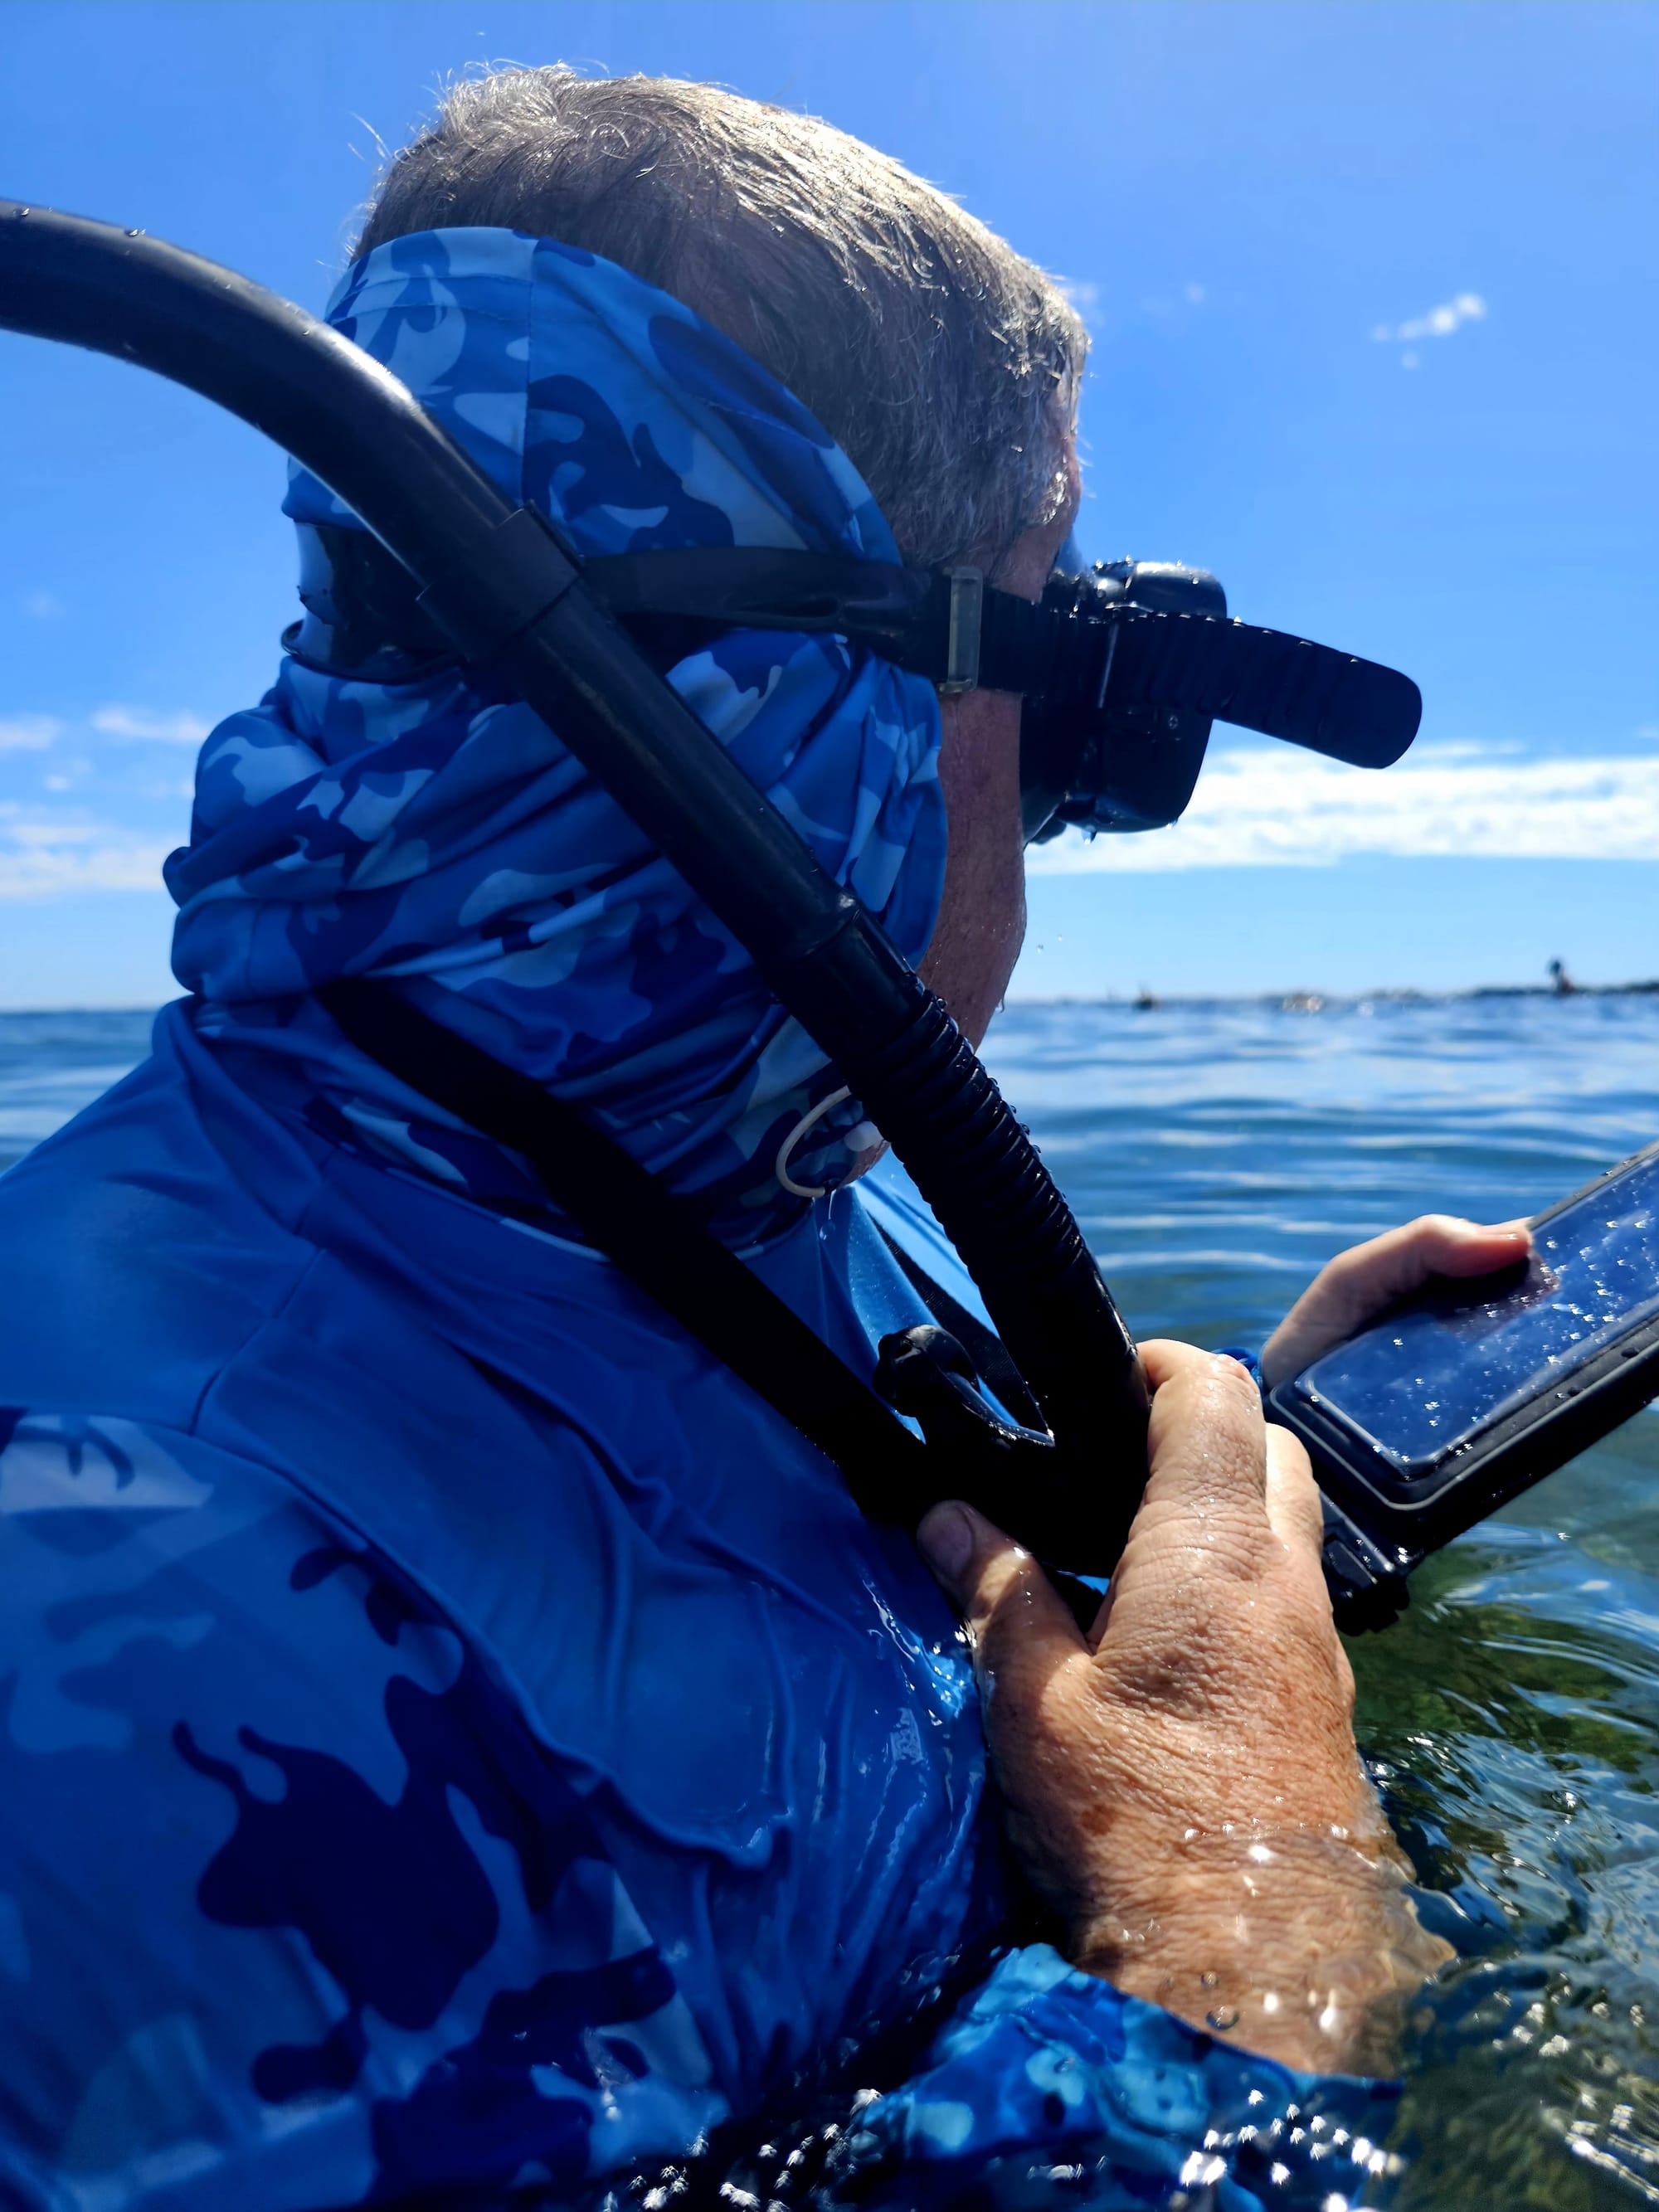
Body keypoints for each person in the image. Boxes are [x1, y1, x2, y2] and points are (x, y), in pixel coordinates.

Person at [0, 69, 1534, 2210]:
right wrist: (1247, 1923)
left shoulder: (706, 1173)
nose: (1057, 811)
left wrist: (1242, 1526)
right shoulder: (109, 1601)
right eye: (1078, 690)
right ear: (844, 717)